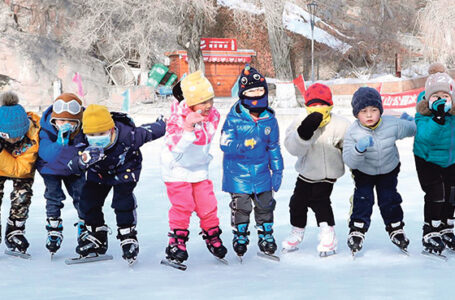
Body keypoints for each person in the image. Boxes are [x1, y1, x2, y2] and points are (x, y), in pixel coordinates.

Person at [68, 104, 166, 263]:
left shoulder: (129, 135)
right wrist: (82, 160)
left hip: (126, 171)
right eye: (92, 134)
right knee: (87, 200)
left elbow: (151, 131)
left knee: (122, 202)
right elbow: (70, 166)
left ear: (112, 130)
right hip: (98, 173)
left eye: (101, 133)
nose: (96, 138)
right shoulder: (83, 142)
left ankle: (128, 236)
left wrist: (163, 123)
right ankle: (97, 235)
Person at [161, 70, 227, 265]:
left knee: (208, 205)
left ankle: (213, 235)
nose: (208, 106)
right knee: (183, 206)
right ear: (190, 102)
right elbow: (176, 149)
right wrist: (187, 128)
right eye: (203, 102)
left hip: (199, 169)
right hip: (177, 169)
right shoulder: (176, 118)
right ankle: (176, 241)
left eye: (210, 100)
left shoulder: (212, 115)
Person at [220, 65, 283, 258]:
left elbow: (274, 147)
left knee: (265, 206)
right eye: (250, 91)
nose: (256, 94)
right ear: (242, 94)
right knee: (242, 207)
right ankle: (240, 235)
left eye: (259, 90)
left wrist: (278, 170)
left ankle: (266, 235)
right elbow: (224, 143)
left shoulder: (269, 120)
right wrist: (240, 145)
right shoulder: (233, 118)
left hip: (262, 173)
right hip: (238, 174)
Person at [343, 87, 416, 254]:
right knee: (363, 198)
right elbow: (349, 160)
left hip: (388, 169)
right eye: (364, 111)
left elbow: (413, 129)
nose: (369, 115)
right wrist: (358, 149)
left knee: (389, 198)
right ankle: (357, 229)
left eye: (374, 110)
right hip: (364, 171)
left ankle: (395, 227)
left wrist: (410, 121)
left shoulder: (392, 124)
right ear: (356, 114)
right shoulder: (353, 132)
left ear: (380, 111)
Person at [282, 83, 350, 255]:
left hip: (328, 173)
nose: (318, 109)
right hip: (306, 172)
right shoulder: (299, 121)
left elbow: (349, 148)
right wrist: (303, 133)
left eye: (322, 105)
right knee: (297, 202)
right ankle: (297, 230)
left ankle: (328, 233)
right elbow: (292, 148)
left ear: (330, 105)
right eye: (313, 106)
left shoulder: (340, 124)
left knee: (319, 200)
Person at [36, 93, 87, 255]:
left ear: (78, 122)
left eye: (70, 121)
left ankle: (85, 226)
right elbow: (47, 154)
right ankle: (54, 227)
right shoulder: (47, 130)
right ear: (54, 120)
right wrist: (60, 142)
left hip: (74, 168)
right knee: (53, 196)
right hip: (51, 168)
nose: (65, 125)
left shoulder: (83, 131)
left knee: (82, 196)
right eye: (61, 121)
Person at [414, 71, 455, 254]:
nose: (441, 100)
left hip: (450, 160)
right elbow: (425, 137)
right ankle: (430, 228)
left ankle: (446, 226)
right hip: (427, 159)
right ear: (428, 98)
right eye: (436, 96)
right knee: (436, 193)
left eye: (445, 96)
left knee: (452, 193)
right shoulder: (423, 114)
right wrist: (438, 118)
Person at [0, 91, 40, 255]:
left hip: (21, 170)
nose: (14, 141)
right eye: (9, 137)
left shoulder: (32, 135)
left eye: (17, 137)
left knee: (22, 195)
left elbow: (21, 169)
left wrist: (1, 153)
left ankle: (15, 230)